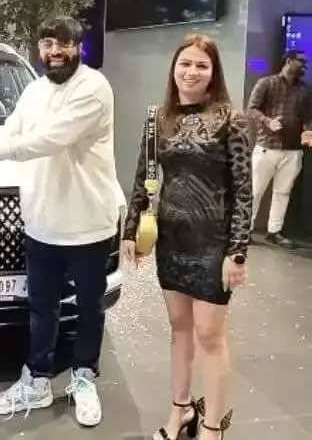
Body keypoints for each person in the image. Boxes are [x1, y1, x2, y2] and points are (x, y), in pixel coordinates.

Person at [0, 16, 122, 428]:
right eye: (47, 43)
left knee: (88, 308)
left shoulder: (94, 89)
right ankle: (38, 380)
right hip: (41, 221)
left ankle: (83, 376)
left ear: (79, 46)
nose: (54, 51)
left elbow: (49, 139)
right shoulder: (32, 90)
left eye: (63, 42)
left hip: (88, 223)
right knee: (41, 308)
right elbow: (11, 129)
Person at [122, 34, 252, 440]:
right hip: (172, 242)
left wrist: (238, 252)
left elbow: (243, 190)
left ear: (213, 73)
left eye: (202, 65)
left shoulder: (231, 119)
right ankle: (180, 411)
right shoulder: (156, 118)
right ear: (173, 69)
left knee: (210, 336)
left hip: (213, 245)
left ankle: (212, 427)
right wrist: (130, 230)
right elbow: (144, 176)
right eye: (185, 64)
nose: (192, 72)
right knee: (179, 328)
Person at [247, 49, 312, 248]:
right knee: (255, 190)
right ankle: (244, 230)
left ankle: (274, 231)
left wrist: (308, 131)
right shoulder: (266, 83)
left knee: (282, 192)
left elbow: (308, 116)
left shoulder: (306, 89)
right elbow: (251, 109)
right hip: (267, 146)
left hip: (293, 150)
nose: (303, 66)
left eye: (305, 63)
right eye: (300, 61)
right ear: (288, 61)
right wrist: (268, 122)